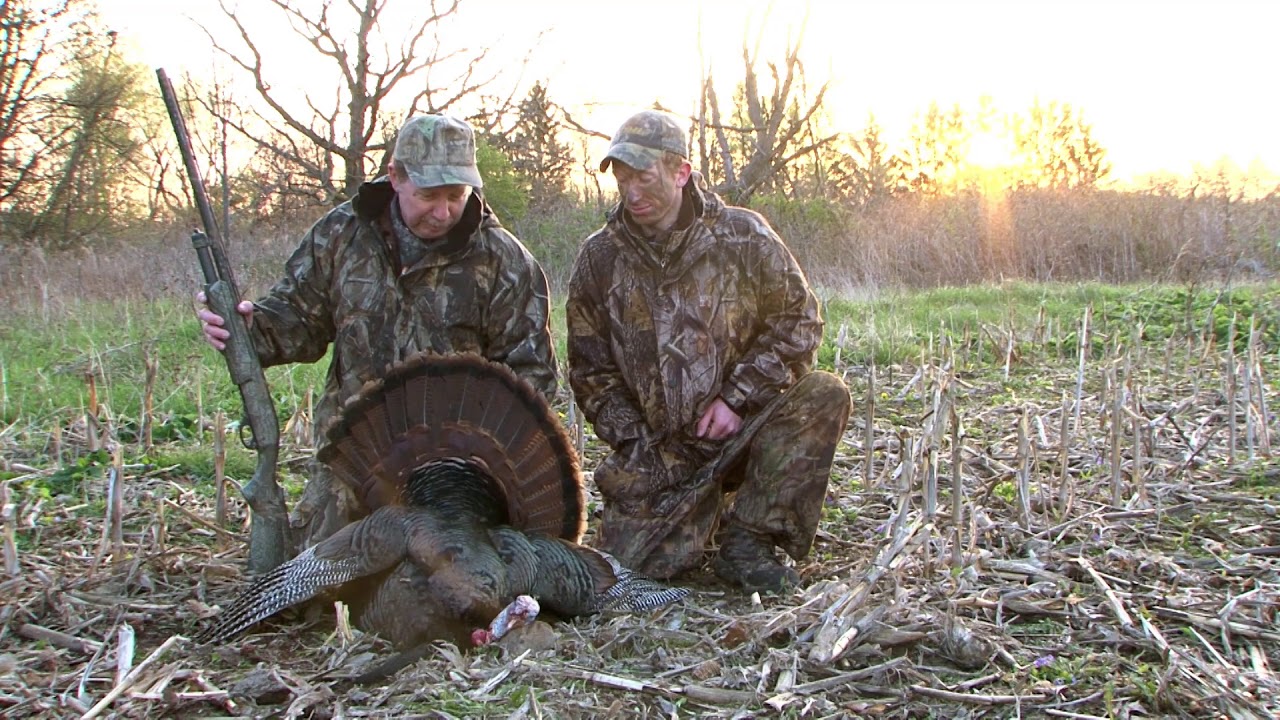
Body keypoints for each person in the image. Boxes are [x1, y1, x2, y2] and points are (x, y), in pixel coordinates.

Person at [197, 113, 558, 550]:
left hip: (456, 472)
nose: (443, 212)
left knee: (444, 596)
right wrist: (247, 327)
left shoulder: (505, 261)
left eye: (456, 195)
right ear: (394, 177)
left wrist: (478, 466)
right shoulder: (341, 234)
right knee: (319, 591)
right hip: (352, 458)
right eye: (428, 195)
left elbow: (532, 377)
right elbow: (296, 323)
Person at [565, 109, 851, 594]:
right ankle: (696, 510)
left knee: (824, 395)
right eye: (623, 178)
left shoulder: (742, 235)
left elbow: (799, 322)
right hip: (660, 452)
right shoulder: (600, 257)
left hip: (743, 433)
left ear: (681, 172)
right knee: (632, 571)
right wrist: (638, 444)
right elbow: (590, 371)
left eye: (645, 176)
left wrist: (736, 399)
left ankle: (750, 539)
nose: (632, 192)